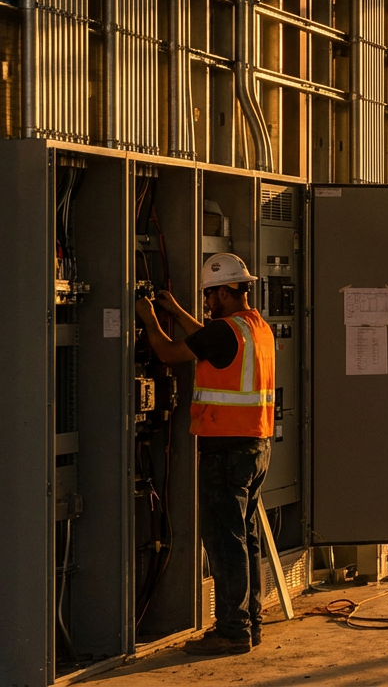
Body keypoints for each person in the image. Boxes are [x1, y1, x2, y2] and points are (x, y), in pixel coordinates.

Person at [134, 253, 274, 656]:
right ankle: (251, 623)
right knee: (245, 540)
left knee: (224, 542)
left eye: (211, 295)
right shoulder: (254, 326)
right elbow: (208, 344)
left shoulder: (225, 330)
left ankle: (231, 630)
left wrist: (149, 318)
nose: (208, 302)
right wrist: (175, 309)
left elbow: (169, 352)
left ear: (228, 291)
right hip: (255, 447)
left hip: (226, 449)